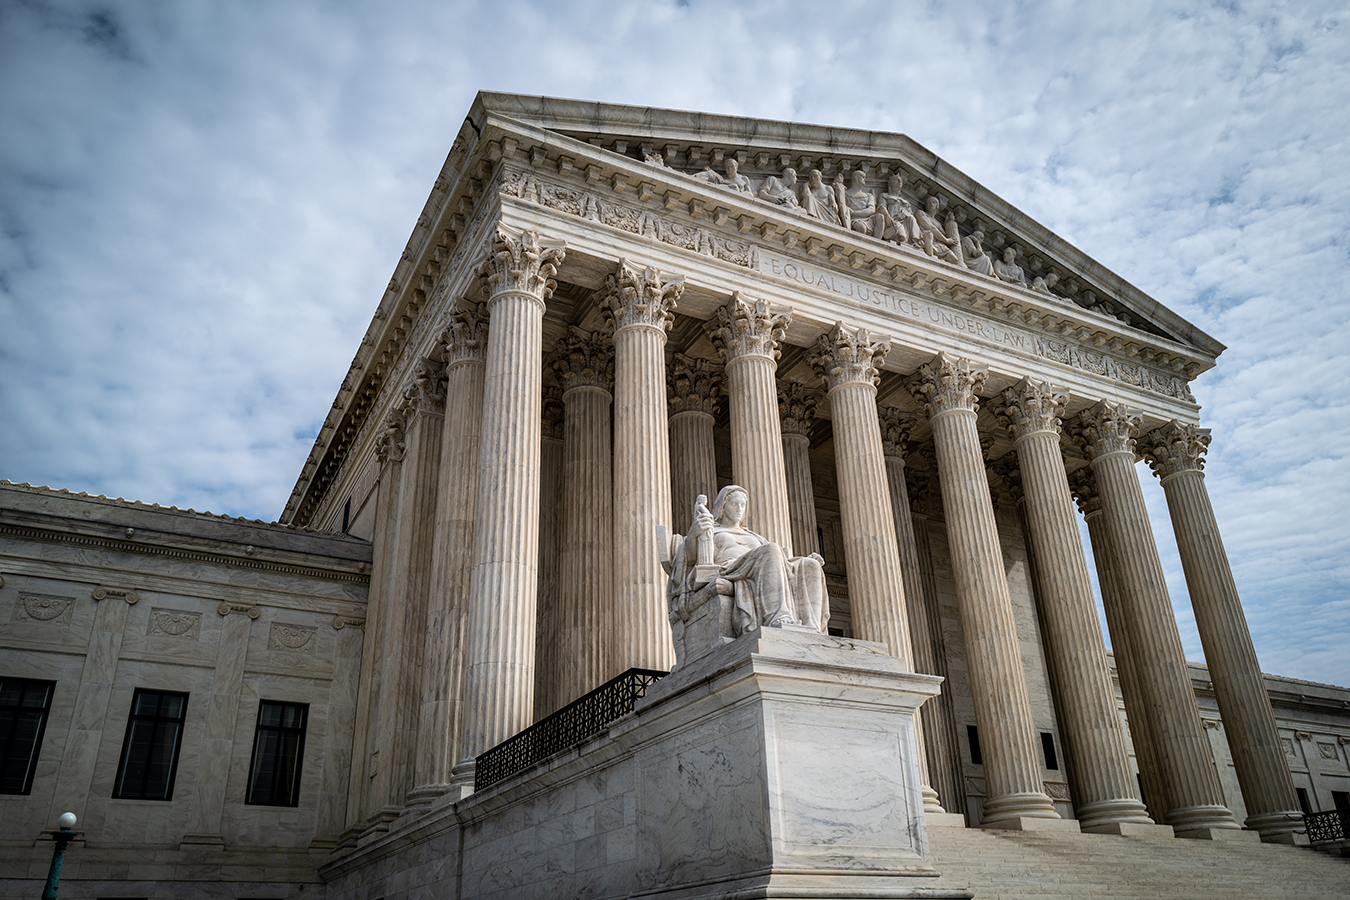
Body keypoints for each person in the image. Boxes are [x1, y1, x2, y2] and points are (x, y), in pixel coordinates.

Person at [669, 485, 829, 636]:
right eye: (734, 504)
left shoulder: (756, 537)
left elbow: (781, 563)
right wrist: (693, 534)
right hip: (730, 569)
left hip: (758, 568)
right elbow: (689, 559)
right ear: (723, 506)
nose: (739, 509)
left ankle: (811, 627)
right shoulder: (712, 531)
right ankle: (778, 617)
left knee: (810, 566)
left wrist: (800, 562)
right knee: (772, 549)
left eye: (742, 505)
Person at [914, 196, 964, 266]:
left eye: (934, 202)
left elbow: (944, 234)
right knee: (930, 233)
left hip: (938, 244)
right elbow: (931, 227)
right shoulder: (920, 213)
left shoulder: (937, 223)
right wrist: (946, 240)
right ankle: (930, 260)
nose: (931, 204)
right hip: (925, 239)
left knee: (954, 259)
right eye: (929, 202)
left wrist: (949, 222)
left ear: (937, 206)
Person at [878, 173, 920, 244]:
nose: (899, 182)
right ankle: (892, 232)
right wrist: (887, 217)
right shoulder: (884, 195)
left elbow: (910, 213)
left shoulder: (906, 202)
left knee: (912, 218)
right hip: (892, 220)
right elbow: (881, 207)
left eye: (900, 180)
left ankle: (915, 241)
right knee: (902, 236)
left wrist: (904, 214)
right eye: (896, 180)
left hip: (904, 221)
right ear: (890, 183)